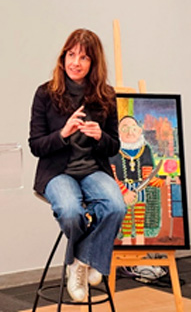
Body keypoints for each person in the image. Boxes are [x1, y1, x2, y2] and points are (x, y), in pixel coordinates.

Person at [29, 28, 127, 302]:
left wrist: (100, 137)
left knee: (117, 206)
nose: (76, 62)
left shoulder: (105, 95)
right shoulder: (45, 94)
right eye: (71, 55)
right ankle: (87, 260)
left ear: (93, 64)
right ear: (63, 58)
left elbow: (114, 146)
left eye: (84, 58)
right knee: (71, 211)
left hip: (93, 171)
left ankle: (79, 262)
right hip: (57, 173)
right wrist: (63, 134)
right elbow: (36, 145)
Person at [110, 115, 163, 244]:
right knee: (126, 216)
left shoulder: (145, 150)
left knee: (140, 218)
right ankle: (126, 241)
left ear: (139, 131)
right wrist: (124, 192)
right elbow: (111, 177)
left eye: (133, 128)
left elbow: (148, 177)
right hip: (121, 190)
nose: (130, 132)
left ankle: (140, 242)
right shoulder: (114, 150)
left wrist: (164, 181)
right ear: (118, 132)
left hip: (141, 190)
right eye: (125, 128)